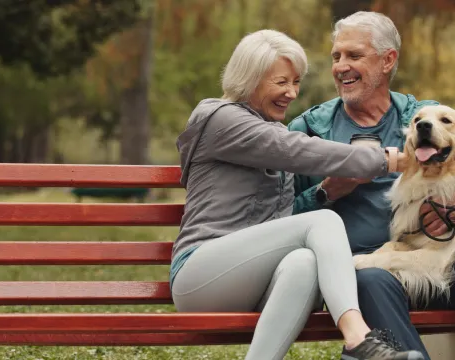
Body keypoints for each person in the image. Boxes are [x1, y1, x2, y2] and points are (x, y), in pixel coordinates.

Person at [168, 29, 425, 360]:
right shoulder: (220, 118)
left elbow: (278, 220)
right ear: (249, 79)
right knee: (322, 222)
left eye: (296, 82)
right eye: (281, 82)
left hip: (250, 275)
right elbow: (296, 149)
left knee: (304, 262)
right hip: (200, 277)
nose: (291, 93)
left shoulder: (271, 131)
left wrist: (322, 193)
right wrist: (387, 159)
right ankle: (358, 338)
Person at [289, 12, 455, 360]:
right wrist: (325, 193)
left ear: (388, 61)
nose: (341, 66)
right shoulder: (310, 129)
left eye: (354, 56)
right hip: (363, 275)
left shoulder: (423, 118)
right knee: (370, 275)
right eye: (336, 57)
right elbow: (277, 215)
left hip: (433, 263)